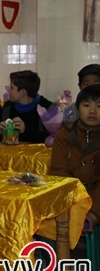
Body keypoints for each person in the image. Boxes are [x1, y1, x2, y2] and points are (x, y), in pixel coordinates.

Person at [50, 84, 100, 231]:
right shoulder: (64, 134)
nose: (92, 111)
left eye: (99, 106)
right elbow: (59, 173)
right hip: (71, 200)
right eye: (86, 105)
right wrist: (73, 206)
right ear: (78, 110)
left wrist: (94, 213)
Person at [0, 70, 52, 143]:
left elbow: (53, 138)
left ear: (23, 92)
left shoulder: (47, 108)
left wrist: (25, 131)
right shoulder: (7, 107)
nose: (8, 90)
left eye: (12, 88)